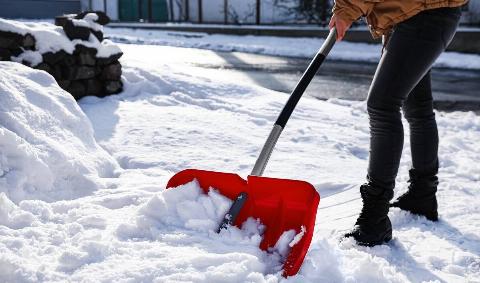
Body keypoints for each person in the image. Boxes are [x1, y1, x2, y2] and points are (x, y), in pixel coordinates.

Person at [329, 0, 468, 246]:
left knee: (382, 105)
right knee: (418, 106)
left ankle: (375, 218)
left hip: (421, 13)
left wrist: (346, 8)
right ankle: (423, 194)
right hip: (418, 11)